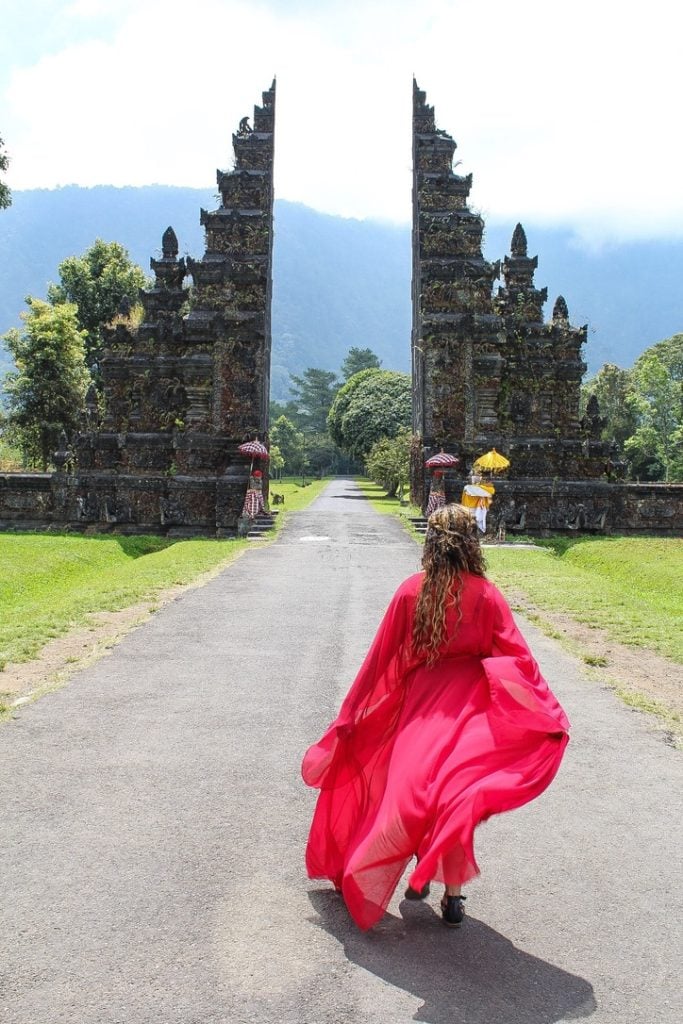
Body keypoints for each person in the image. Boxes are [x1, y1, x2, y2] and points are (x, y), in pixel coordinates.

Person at [301, 503, 569, 930]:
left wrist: (351, 715)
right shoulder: (486, 594)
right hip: (470, 713)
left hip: (421, 710)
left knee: (410, 796)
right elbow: (519, 658)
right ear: (471, 543)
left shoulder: (412, 591)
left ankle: (410, 870)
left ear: (431, 542)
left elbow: (380, 661)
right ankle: (453, 894)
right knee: (454, 800)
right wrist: (544, 712)